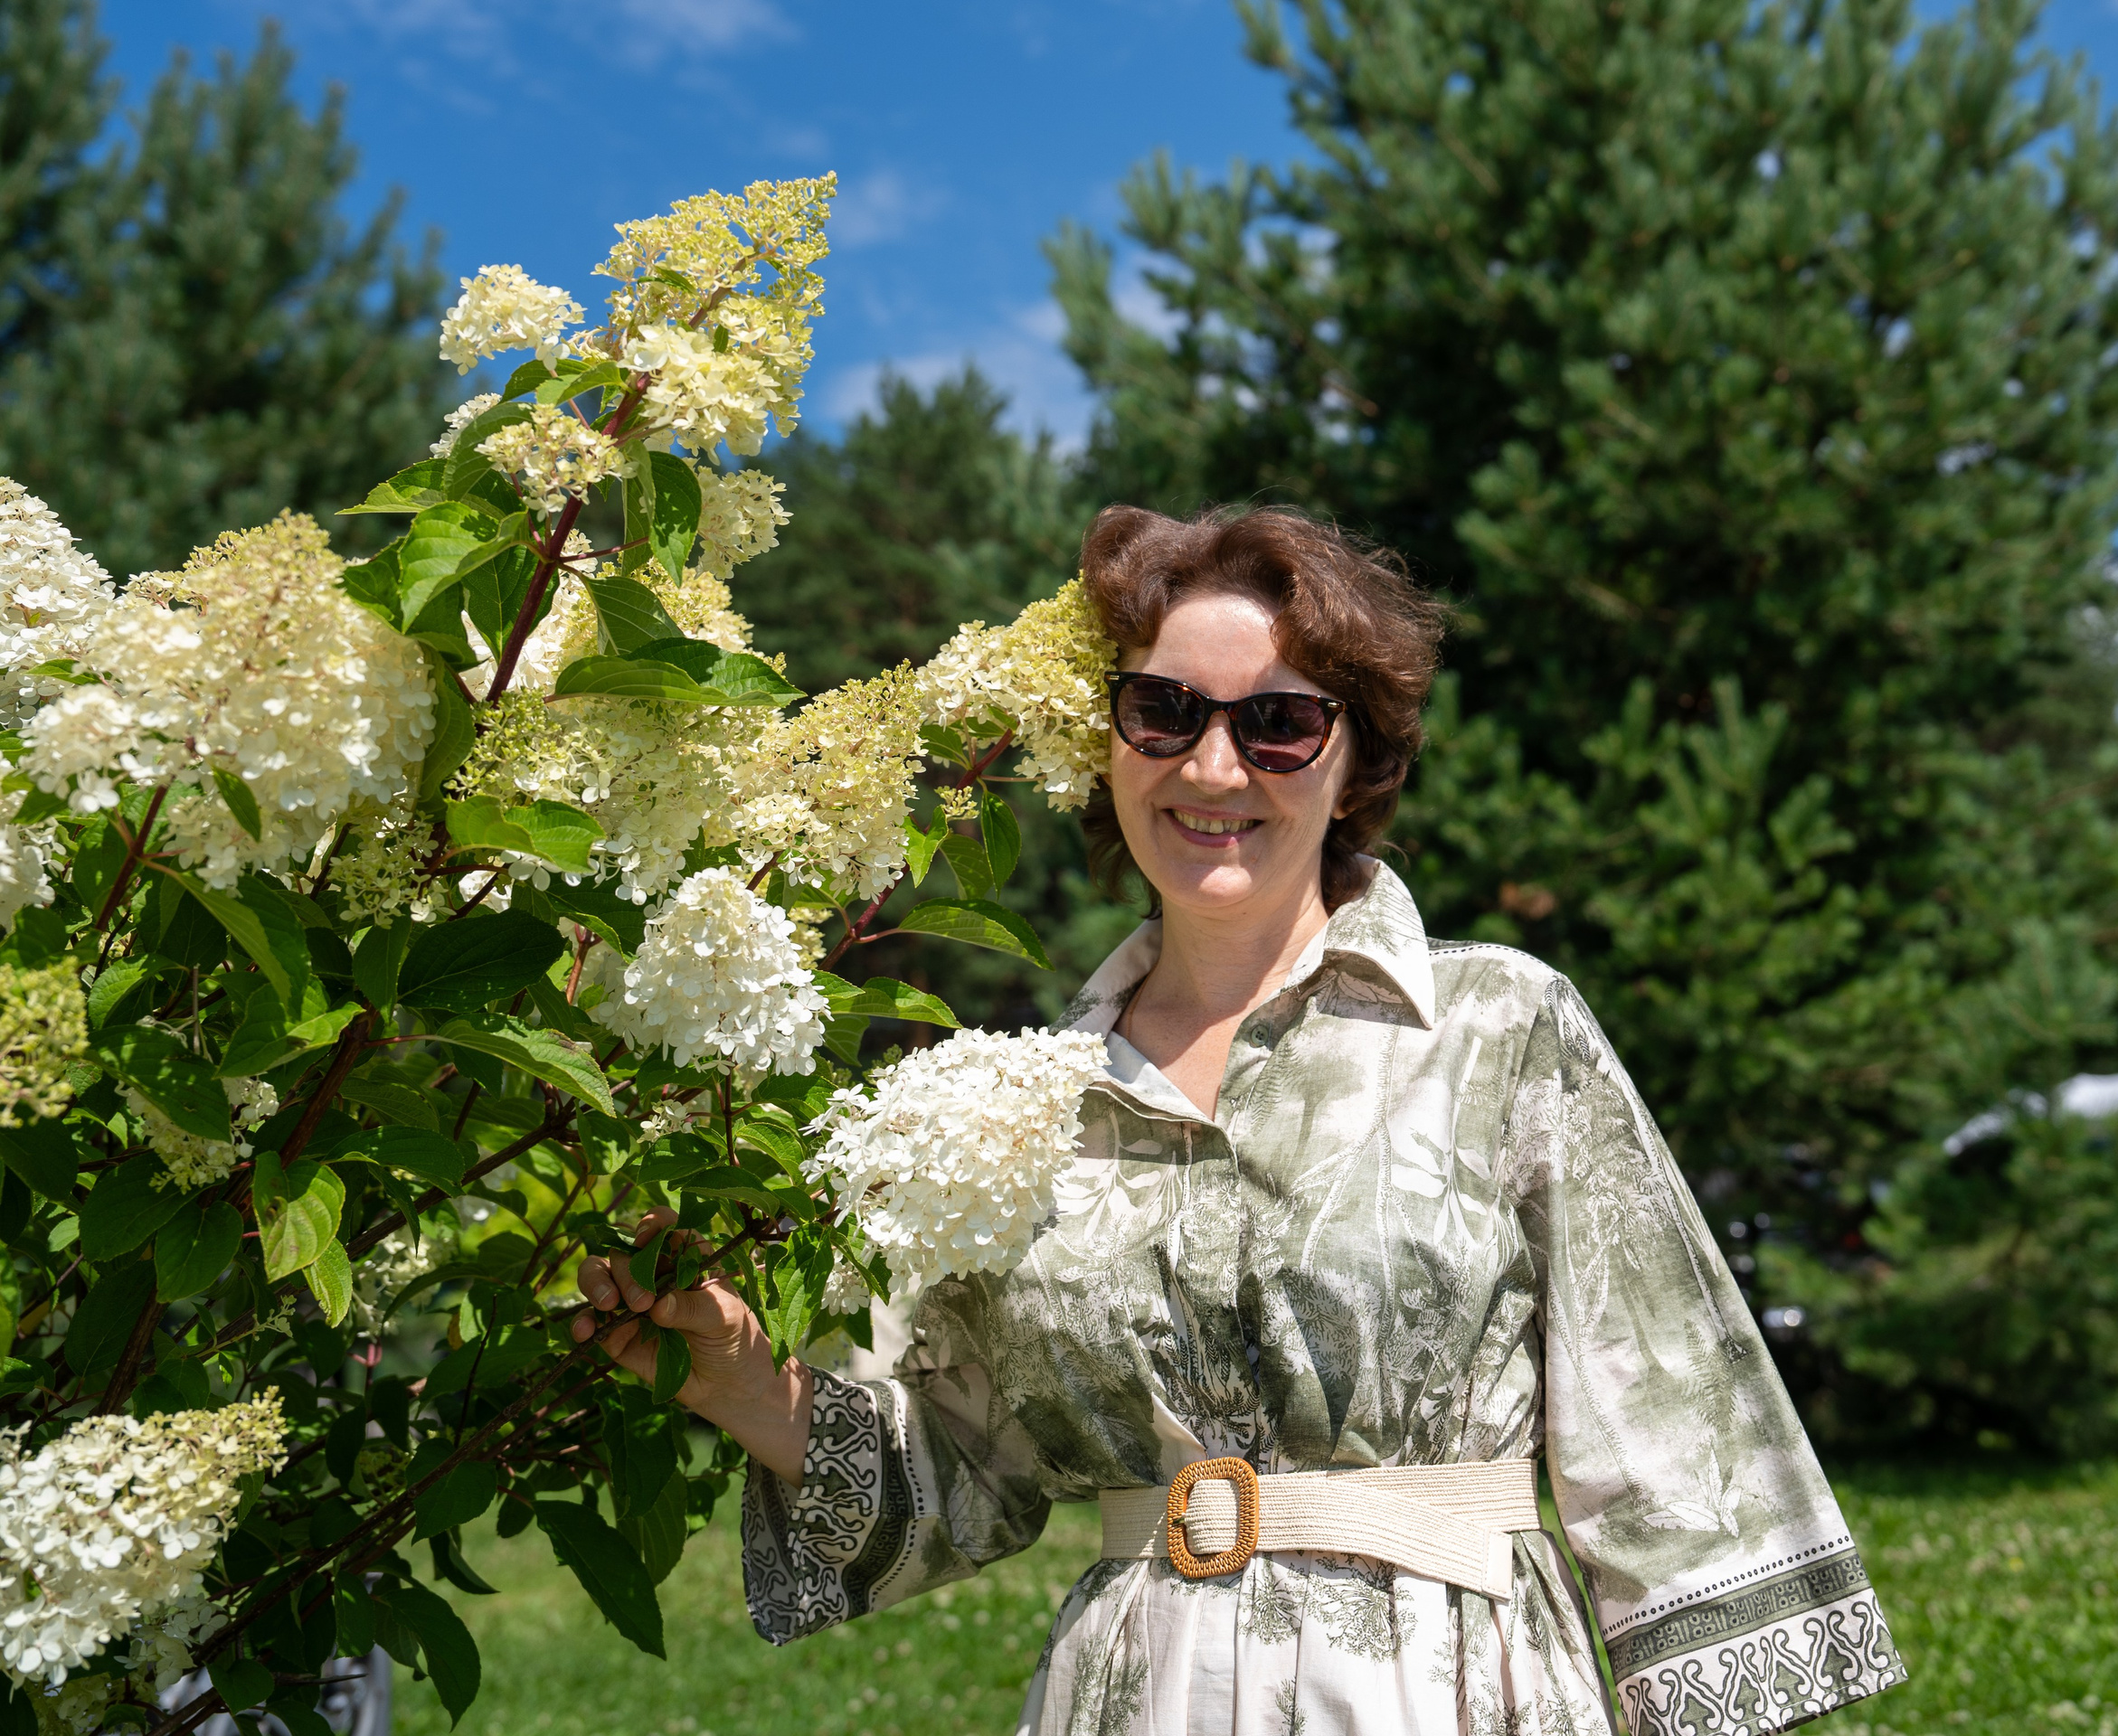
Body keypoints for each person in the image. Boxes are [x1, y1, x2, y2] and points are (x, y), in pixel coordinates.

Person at [574, 506, 1906, 1736]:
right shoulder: (1026, 1104)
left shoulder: (1501, 1026)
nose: (1214, 766)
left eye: (1278, 724)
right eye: (1162, 711)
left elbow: (1678, 1446)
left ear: (1356, 757)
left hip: (1447, 1691)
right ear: (1106, 741)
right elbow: (966, 1472)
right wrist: (735, 1377)